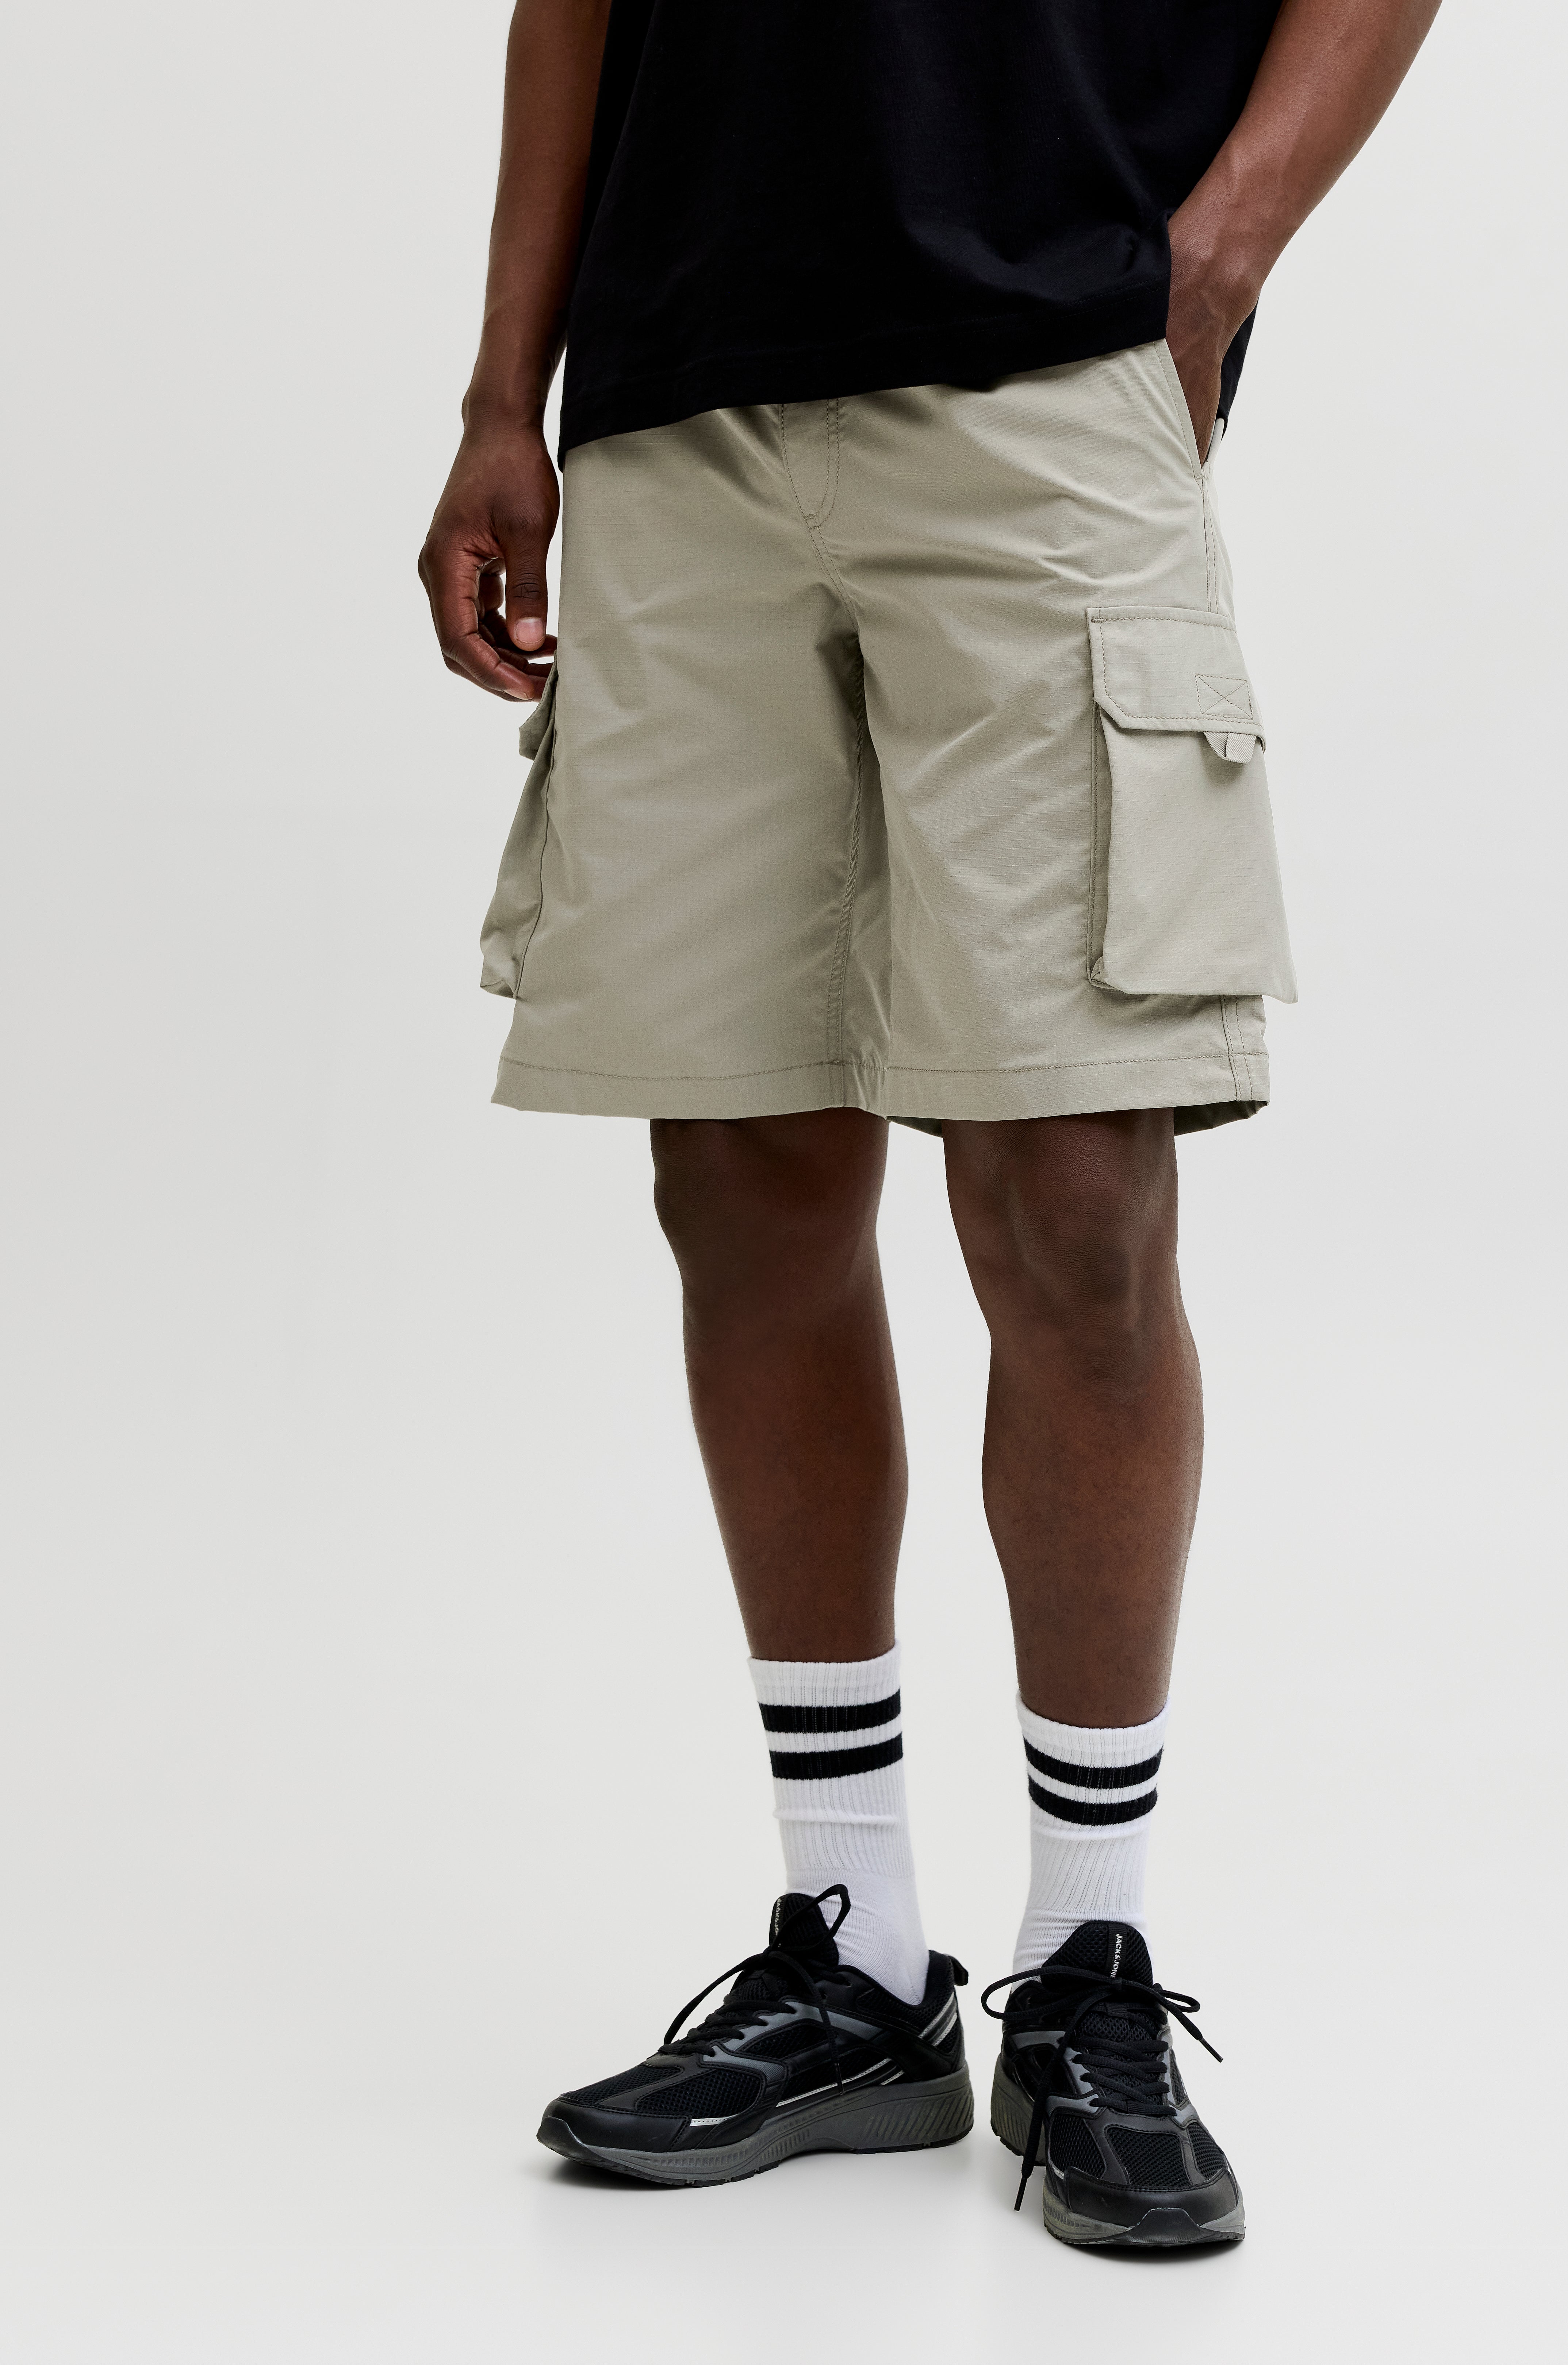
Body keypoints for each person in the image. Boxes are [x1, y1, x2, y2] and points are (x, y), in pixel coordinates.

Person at [420, 0, 1439, 2251]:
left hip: (1052, 364)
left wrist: (1223, 248)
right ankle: (857, 1962)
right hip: (678, 395)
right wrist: (507, 394)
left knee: (1076, 1196)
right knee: (744, 1177)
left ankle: (1091, 1960)